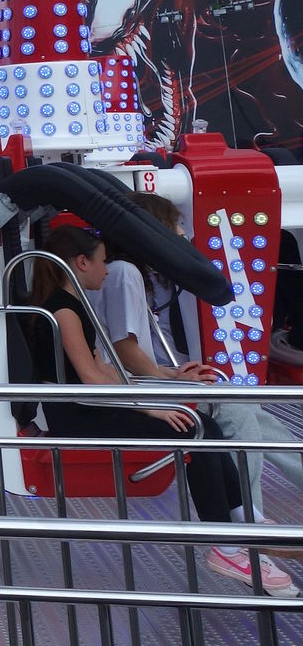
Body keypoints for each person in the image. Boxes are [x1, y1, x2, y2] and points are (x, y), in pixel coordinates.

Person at [25, 225, 291, 594]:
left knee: (205, 425)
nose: (107, 270)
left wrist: (159, 386)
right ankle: (227, 547)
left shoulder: (72, 305)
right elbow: (90, 377)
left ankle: (244, 516)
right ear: (82, 263)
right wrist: (149, 408)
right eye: (103, 261)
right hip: (78, 413)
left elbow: (103, 368)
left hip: (89, 405)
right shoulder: (63, 310)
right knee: (192, 430)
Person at [106, 193, 303, 541]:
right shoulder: (125, 274)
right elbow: (125, 349)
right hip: (138, 384)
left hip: (150, 378)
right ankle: (250, 520)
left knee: (250, 412)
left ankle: (252, 515)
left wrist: (175, 374)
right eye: (175, 225)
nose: (182, 233)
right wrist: (171, 376)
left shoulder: (143, 274)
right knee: (237, 412)